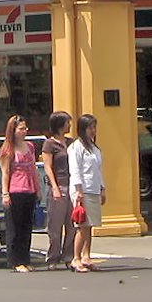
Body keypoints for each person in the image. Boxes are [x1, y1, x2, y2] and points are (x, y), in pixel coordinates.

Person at [0, 115, 38, 273]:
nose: (24, 131)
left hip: (29, 190)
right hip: (15, 191)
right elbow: (5, 173)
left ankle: (25, 259)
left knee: (26, 227)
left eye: (25, 128)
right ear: (13, 130)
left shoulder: (30, 146)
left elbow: (33, 168)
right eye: (21, 129)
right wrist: (5, 193)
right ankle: (15, 261)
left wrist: (37, 188)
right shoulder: (8, 150)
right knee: (14, 227)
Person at [67, 113, 104, 273]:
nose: (93, 130)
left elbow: (97, 170)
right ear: (83, 129)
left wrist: (102, 188)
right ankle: (76, 258)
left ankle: (86, 256)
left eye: (94, 127)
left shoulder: (94, 148)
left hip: (94, 188)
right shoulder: (76, 147)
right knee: (82, 225)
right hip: (82, 190)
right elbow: (75, 170)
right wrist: (79, 190)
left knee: (90, 225)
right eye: (90, 127)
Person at [40, 111, 74, 270]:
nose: (69, 125)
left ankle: (69, 256)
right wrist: (54, 187)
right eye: (67, 122)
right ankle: (53, 256)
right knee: (55, 224)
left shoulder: (71, 142)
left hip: (72, 184)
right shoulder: (49, 144)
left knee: (72, 223)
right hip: (58, 185)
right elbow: (47, 166)